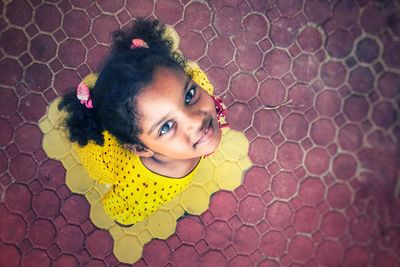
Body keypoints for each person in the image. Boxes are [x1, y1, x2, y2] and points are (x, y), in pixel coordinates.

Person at [59, 19, 228, 226]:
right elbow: (122, 213)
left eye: (189, 95)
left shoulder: (197, 81)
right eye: (166, 127)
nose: (196, 120)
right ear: (140, 148)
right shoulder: (141, 188)